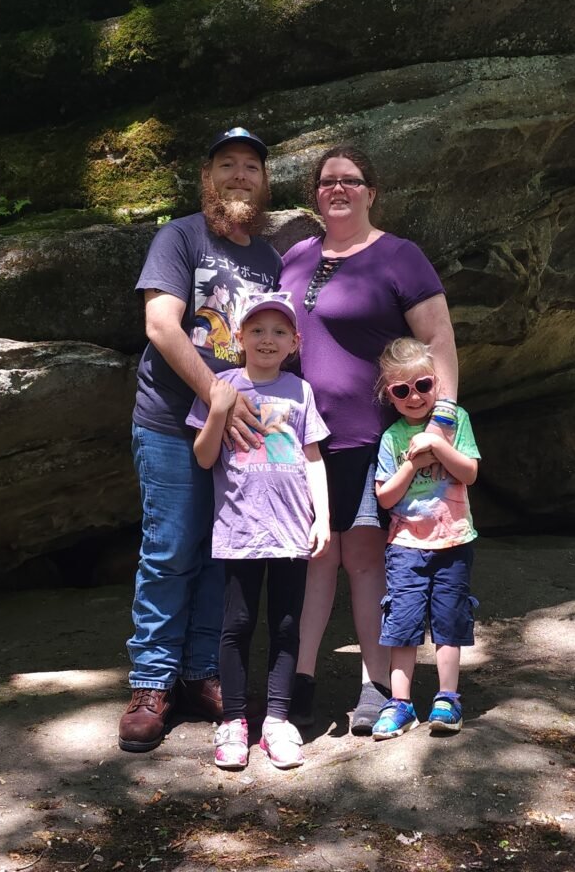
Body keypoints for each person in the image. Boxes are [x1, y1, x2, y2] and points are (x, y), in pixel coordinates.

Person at [279, 144, 458, 733]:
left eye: (351, 181)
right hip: (302, 439)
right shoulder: (298, 256)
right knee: (313, 555)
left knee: (361, 557)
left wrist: (440, 422)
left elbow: (439, 342)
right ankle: (299, 679)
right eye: (327, 181)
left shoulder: (399, 257)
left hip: (370, 436)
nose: (338, 189)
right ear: (315, 193)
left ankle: (376, 685)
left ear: (371, 191)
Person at [119, 127, 282, 753]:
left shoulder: (268, 259)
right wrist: (215, 391)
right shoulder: (179, 237)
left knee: (224, 554)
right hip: (168, 421)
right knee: (171, 550)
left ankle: (200, 673)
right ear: (206, 176)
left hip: (242, 430)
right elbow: (161, 324)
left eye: (250, 167)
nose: (239, 175)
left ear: (264, 183)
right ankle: (151, 682)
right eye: (227, 165)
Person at [187, 292, 330, 770]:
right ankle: (233, 721)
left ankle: (277, 721)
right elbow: (205, 457)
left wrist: (323, 518)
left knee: (286, 625)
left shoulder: (300, 391)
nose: (267, 339)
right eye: (257, 330)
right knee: (238, 625)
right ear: (240, 338)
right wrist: (217, 408)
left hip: (291, 528)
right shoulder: (222, 384)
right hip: (240, 528)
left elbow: (312, 458)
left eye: (278, 332)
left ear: (294, 342)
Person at [372, 337, 480, 738]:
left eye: (423, 385)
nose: (414, 396)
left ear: (436, 384)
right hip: (405, 546)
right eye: (402, 390)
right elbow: (385, 497)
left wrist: (437, 443)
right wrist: (413, 463)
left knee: (449, 621)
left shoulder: (457, 422)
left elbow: (468, 473)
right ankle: (400, 704)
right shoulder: (392, 439)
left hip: (453, 541)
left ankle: (447, 697)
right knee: (402, 622)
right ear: (390, 395)